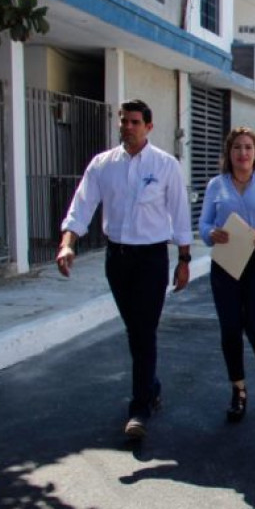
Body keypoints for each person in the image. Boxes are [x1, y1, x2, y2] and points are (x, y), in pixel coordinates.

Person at [56, 99, 192, 439]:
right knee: (136, 330)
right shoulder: (103, 165)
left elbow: (179, 214)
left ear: (148, 126)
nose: (127, 127)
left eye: (134, 122)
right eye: (123, 121)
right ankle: (152, 385)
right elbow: (81, 206)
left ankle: (139, 408)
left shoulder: (165, 165)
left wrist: (184, 260)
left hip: (151, 258)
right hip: (117, 259)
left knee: (143, 331)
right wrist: (67, 243)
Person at [199, 127, 255, 423]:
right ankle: (238, 390)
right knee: (230, 330)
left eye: (248, 147)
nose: (243, 153)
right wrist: (211, 233)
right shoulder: (216, 185)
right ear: (229, 152)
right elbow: (203, 226)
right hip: (226, 261)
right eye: (237, 147)